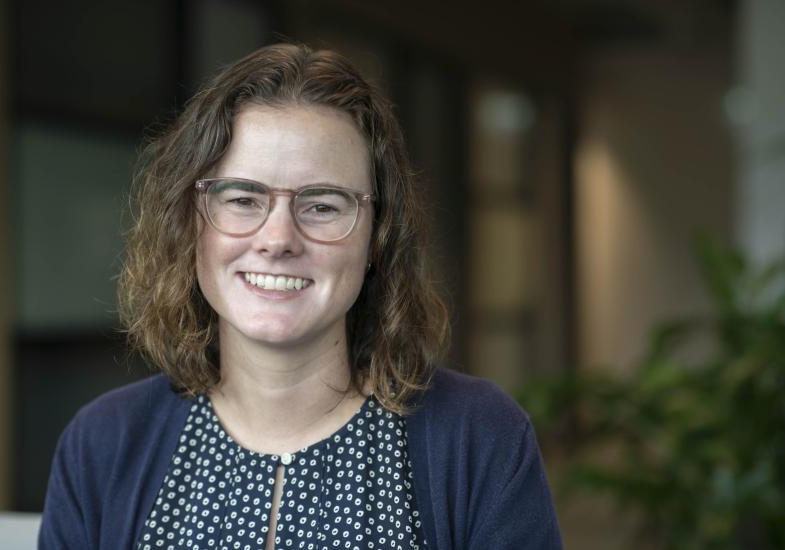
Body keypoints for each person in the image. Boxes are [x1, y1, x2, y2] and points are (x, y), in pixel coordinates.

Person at [38, 43, 562, 549]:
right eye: (243, 199)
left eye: (323, 205)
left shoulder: (479, 437)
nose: (278, 239)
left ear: (377, 237)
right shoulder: (103, 444)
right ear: (189, 224)